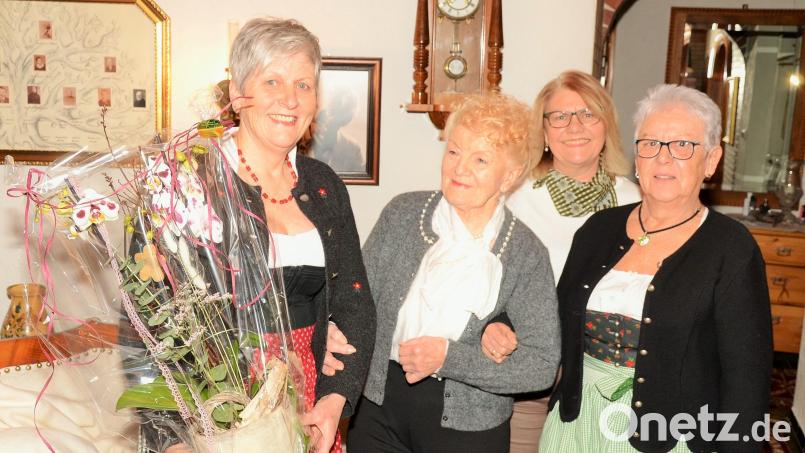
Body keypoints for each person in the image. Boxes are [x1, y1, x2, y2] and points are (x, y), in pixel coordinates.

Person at [157, 18, 376, 453]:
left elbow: (355, 302)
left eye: (303, 85)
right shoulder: (188, 180)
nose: (290, 100)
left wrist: (334, 401)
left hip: (309, 405)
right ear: (238, 93)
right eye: (272, 81)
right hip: (212, 407)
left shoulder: (324, 184)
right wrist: (170, 439)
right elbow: (148, 317)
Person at [538, 84, 772, 452]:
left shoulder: (731, 249)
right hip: (577, 424)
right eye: (650, 144)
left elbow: (747, 382)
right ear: (637, 155)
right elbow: (550, 320)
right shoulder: (598, 230)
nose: (663, 158)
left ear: (711, 160)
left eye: (682, 146)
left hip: (670, 435)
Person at [345, 93, 561, 453]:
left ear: (509, 176)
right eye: (455, 151)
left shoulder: (526, 252)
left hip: (470, 426)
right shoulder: (402, 214)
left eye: (480, 159)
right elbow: (356, 302)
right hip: (378, 410)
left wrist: (450, 358)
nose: (460, 168)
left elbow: (540, 366)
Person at [481, 70, 641, 452]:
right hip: (530, 369)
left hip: (606, 376)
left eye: (588, 114)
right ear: (544, 130)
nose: (575, 126)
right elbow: (485, 279)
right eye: (560, 116)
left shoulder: (634, 200)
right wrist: (491, 325)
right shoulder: (515, 197)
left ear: (606, 124)